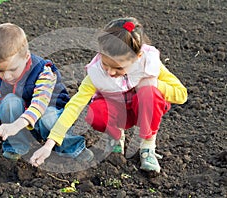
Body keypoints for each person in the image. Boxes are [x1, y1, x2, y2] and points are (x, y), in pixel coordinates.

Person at [30, 17, 187, 173]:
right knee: (95, 112)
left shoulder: (148, 64)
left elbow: (181, 95)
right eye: (106, 64)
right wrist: (50, 143)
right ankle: (116, 136)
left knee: (149, 93)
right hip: (117, 111)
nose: (110, 72)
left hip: (141, 109)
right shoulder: (96, 73)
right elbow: (74, 106)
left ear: (137, 57)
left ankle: (147, 146)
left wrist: (151, 84)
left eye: (118, 68)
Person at [0, 23, 94, 163]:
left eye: (12, 69)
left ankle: (71, 148)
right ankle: (16, 146)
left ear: (26, 57)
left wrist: (15, 125)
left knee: (48, 118)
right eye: (1, 71)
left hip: (49, 117)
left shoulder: (44, 72)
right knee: (9, 102)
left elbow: (39, 105)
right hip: (22, 126)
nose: (7, 76)